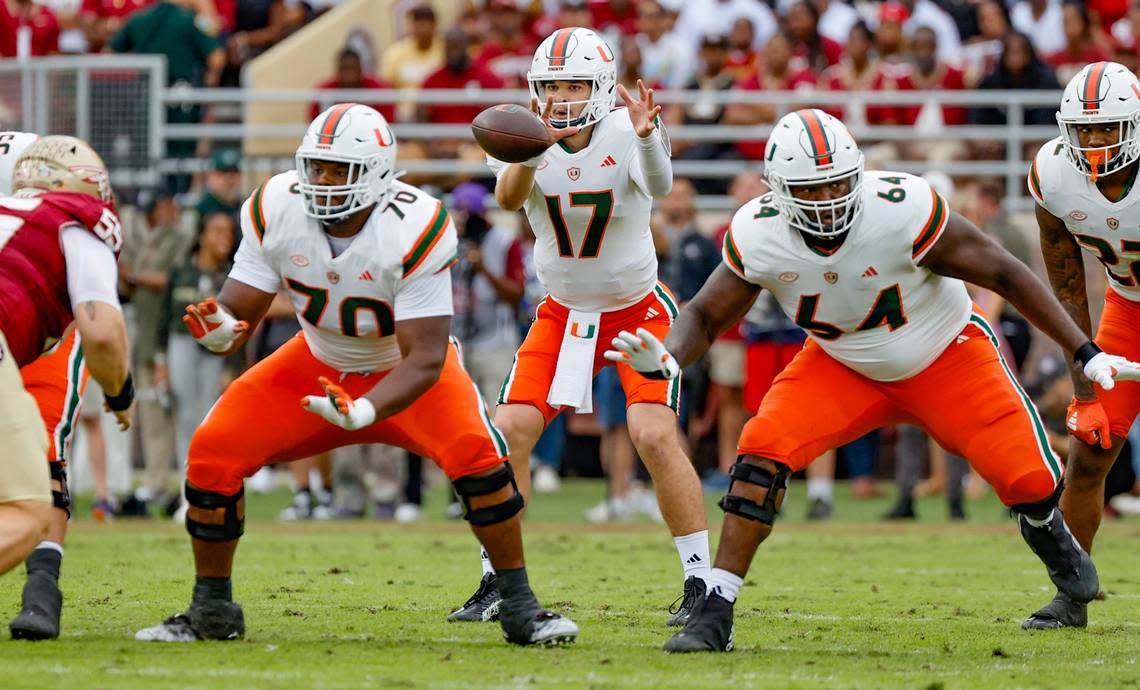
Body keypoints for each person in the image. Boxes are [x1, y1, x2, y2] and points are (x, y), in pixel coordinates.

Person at [605, 109, 1138, 652]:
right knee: (759, 456)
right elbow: (704, 315)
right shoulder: (758, 231)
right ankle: (715, 611)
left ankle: (1048, 527)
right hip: (842, 361)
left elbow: (1002, 271)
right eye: (812, 189)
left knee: (1029, 481)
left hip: (945, 353)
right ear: (779, 191)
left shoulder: (901, 208)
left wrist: (1082, 348)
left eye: (838, 182)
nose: (829, 198)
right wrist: (669, 358)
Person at [134, 103, 576, 646]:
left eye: (337, 170)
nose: (321, 182)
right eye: (315, 167)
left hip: (403, 368)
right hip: (316, 360)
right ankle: (211, 610)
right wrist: (222, 330)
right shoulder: (275, 206)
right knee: (211, 453)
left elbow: (425, 357)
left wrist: (363, 408)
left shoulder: (417, 225)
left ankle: (519, 606)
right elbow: (238, 306)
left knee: (481, 460)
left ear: (377, 173)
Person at [447, 27, 709, 629]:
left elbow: (662, 187)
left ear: (599, 88)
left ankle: (701, 582)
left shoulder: (627, 129)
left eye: (572, 85)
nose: (561, 97)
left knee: (652, 433)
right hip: (562, 312)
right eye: (552, 86)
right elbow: (510, 200)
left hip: (637, 307)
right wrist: (534, 148)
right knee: (507, 429)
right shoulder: (524, 133)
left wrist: (646, 136)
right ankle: (499, 578)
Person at [1026, 60, 1140, 628]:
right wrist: (1084, 388)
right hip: (1129, 308)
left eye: (1108, 127)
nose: (1095, 141)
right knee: (1088, 455)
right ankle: (1072, 596)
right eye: (1085, 129)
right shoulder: (1052, 174)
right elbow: (1067, 287)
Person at [0, 135, 132, 593]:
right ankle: (42, 588)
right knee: (31, 508)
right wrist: (121, 394)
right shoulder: (76, 222)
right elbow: (102, 332)